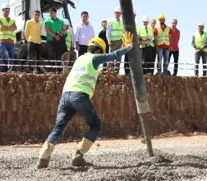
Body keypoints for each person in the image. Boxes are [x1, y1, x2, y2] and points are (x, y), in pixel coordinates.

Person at [35, 32, 134, 169]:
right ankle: (78, 155)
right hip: (79, 96)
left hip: (65, 97)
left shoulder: (80, 59)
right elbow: (112, 56)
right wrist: (128, 47)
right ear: (98, 50)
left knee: (59, 127)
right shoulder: (93, 58)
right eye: (101, 52)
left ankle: (43, 157)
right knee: (96, 126)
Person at [0, 3, 17, 72]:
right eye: (6, 11)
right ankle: (0, 70)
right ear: (2, 10)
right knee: (0, 55)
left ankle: (9, 70)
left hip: (11, 41)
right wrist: (10, 27)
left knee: (11, 57)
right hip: (2, 40)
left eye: (8, 11)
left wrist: (6, 27)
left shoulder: (12, 20)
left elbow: (15, 28)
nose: (8, 12)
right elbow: (1, 28)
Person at [45, 8, 66, 72]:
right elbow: (47, 30)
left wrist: (59, 35)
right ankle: (51, 70)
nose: (50, 14)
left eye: (51, 13)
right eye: (49, 13)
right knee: (50, 55)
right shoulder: (47, 21)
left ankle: (59, 70)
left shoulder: (61, 21)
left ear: (55, 13)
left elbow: (64, 30)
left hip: (58, 41)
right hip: (50, 41)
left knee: (58, 55)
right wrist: (55, 36)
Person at [106, 7, 124, 74]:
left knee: (119, 56)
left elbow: (123, 32)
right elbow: (108, 32)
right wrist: (109, 40)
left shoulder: (122, 22)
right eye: (116, 13)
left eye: (119, 13)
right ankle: (109, 71)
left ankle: (116, 71)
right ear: (114, 13)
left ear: (121, 14)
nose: (118, 14)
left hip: (120, 41)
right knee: (111, 56)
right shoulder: (111, 21)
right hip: (112, 41)